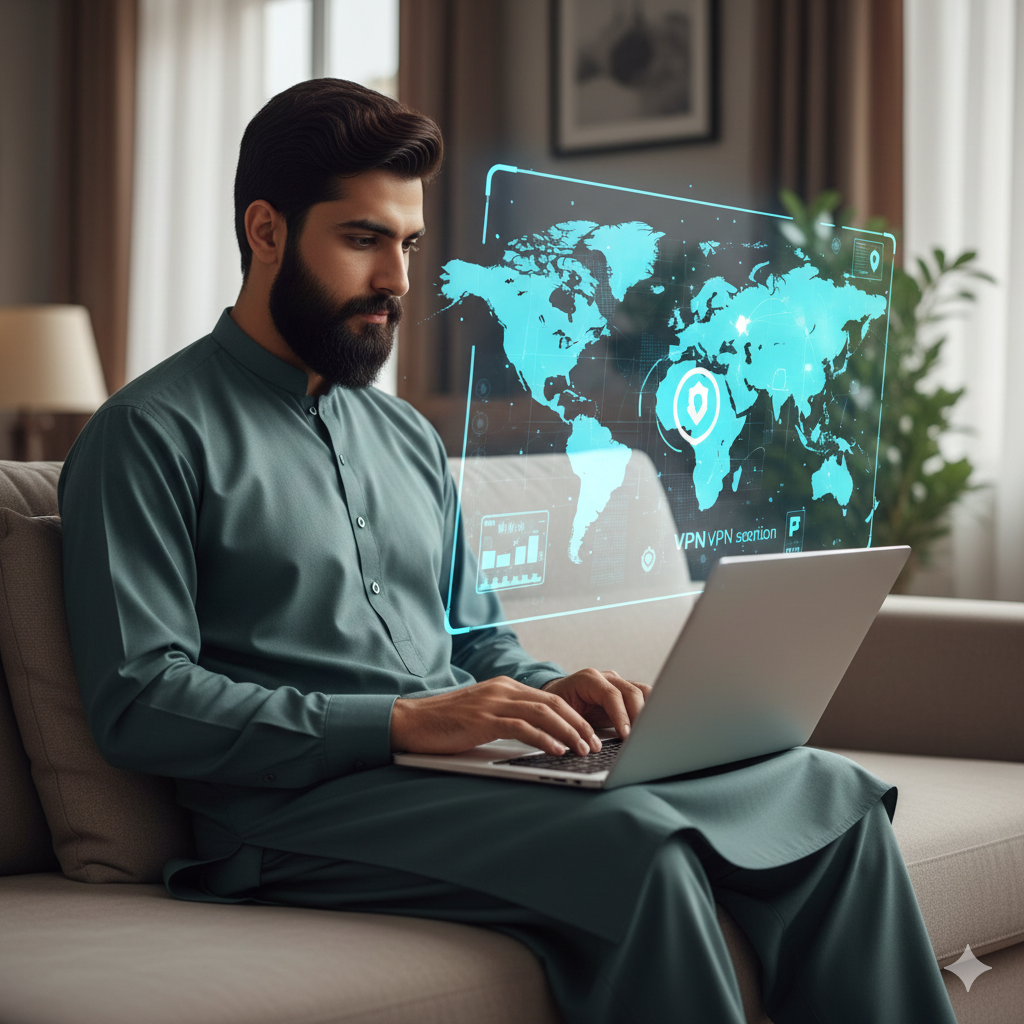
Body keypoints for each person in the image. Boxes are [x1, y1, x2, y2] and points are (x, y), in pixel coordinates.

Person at [59, 79, 957, 1024]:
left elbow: (475, 639)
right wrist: (399, 723)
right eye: (363, 239)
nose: (398, 279)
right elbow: (141, 700)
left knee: (827, 793)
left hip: (455, 777)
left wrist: (552, 690)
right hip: (288, 815)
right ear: (266, 230)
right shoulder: (146, 435)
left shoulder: (405, 437)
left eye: (408, 244)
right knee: (639, 845)